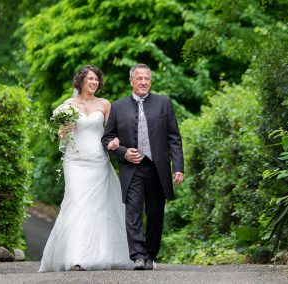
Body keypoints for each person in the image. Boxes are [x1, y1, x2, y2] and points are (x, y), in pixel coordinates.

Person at [39, 65, 133, 272]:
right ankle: (76, 256)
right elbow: (61, 135)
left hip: (98, 160)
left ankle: (98, 253)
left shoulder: (105, 104)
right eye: (90, 79)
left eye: (96, 79)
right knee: (77, 202)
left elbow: (111, 132)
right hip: (75, 161)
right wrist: (65, 129)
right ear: (81, 81)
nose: (94, 82)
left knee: (99, 208)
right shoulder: (68, 104)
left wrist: (116, 141)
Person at [101, 63, 184, 270]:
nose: (144, 82)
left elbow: (174, 137)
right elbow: (107, 138)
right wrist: (123, 152)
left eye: (147, 78)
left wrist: (178, 166)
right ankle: (137, 255)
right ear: (131, 81)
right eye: (139, 78)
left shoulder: (164, 103)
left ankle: (150, 254)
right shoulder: (118, 107)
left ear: (151, 81)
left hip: (158, 168)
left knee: (156, 212)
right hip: (132, 168)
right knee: (134, 211)